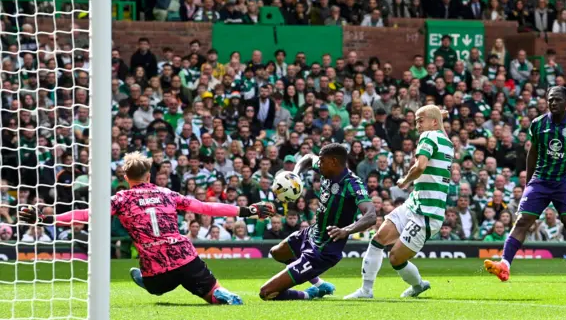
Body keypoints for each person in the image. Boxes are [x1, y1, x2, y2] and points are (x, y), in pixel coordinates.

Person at [19, 152, 275, 305]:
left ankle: (146, 281)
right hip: (184, 255)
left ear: (126, 178)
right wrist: (247, 210)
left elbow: (87, 215)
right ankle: (221, 294)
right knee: (211, 292)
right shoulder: (167, 193)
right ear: (149, 176)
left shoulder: (120, 198)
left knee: (154, 288)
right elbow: (205, 207)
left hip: (156, 267)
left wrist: (46, 218)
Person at [484, 87, 566, 283]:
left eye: (557, 100)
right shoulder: (538, 124)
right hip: (541, 181)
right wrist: (529, 183)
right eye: (550, 100)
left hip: (565, 181)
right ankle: (504, 265)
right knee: (522, 220)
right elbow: (533, 153)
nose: (553, 103)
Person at [345, 105, 453, 299]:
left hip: (427, 215)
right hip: (414, 204)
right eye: (417, 120)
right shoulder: (447, 141)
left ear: (433, 122)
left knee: (395, 258)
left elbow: (420, 166)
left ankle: (418, 285)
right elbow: (439, 127)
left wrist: (404, 181)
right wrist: (439, 116)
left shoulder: (428, 137)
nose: (417, 125)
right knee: (378, 239)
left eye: (421, 120)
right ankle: (366, 290)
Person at [259, 143, 375, 301]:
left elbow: (371, 215)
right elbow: (307, 158)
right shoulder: (326, 169)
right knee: (277, 252)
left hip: (323, 252)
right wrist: (295, 175)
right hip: (311, 233)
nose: (318, 164)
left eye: (322, 161)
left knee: (266, 293)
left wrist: (346, 230)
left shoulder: (353, 185)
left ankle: (309, 294)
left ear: (333, 161)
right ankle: (319, 284)